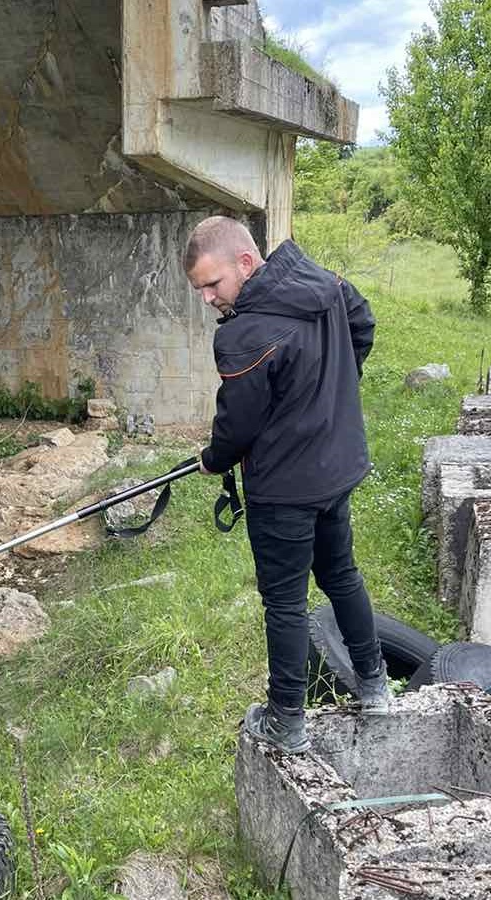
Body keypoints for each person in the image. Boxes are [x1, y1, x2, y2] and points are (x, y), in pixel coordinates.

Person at [184, 216, 390, 755]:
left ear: (246, 263)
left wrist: (214, 460)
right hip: (335, 468)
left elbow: (239, 425)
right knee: (341, 573)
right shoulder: (321, 284)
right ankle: (374, 686)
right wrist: (330, 393)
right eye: (200, 289)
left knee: (285, 602)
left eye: (212, 284)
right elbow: (362, 326)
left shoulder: (243, 334)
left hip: (284, 491)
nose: (208, 299)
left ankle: (286, 721)